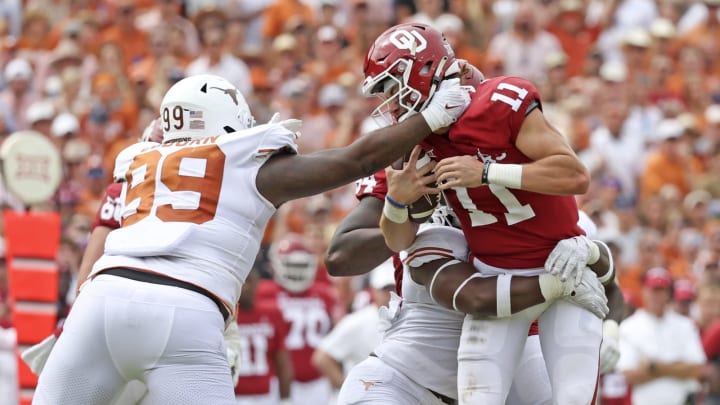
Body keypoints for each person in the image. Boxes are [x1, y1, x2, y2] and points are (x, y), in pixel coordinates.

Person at [33, 73, 472, 405]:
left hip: (99, 301)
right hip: (184, 309)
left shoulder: (137, 158)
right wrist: (430, 118)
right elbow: (357, 159)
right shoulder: (243, 160)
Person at [362, 22, 606, 404]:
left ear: (424, 70)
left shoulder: (497, 102)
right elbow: (398, 242)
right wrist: (396, 202)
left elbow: (575, 175)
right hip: (497, 280)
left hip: (560, 268)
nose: (391, 103)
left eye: (394, 87)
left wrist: (488, 172)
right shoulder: (419, 142)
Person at [255, 233, 339, 405]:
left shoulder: (323, 293)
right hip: (281, 381)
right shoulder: (264, 292)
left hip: (318, 380)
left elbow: (335, 332)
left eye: (301, 265)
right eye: (291, 265)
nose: (296, 270)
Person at [311, 258, 395, 396]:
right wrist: (349, 391)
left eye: (395, 288)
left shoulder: (407, 319)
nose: (391, 294)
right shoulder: (357, 321)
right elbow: (322, 358)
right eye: (385, 289)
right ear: (373, 291)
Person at [234, 266, 293, 405]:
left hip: (266, 396)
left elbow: (282, 361)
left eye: (249, 281)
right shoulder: (224, 317)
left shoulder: (272, 313)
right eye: (242, 283)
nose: (246, 288)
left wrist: (286, 399)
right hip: (233, 396)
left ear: (257, 283)